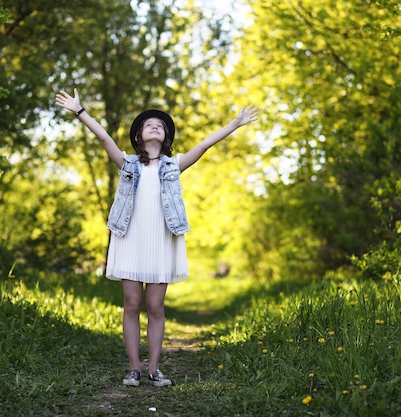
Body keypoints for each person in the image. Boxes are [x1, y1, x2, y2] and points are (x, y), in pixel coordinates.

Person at [55, 88, 259, 387]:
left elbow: (204, 146)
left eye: (161, 126)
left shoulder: (173, 167)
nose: (155, 126)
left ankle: (154, 369)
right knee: (132, 304)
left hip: (161, 242)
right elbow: (103, 138)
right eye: (149, 124)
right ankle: (134, 368)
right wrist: (79, 110)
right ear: (138, 137)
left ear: (166, 138)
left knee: (155, 307)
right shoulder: (127, 164)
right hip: (130, 241)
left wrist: (234, 124)